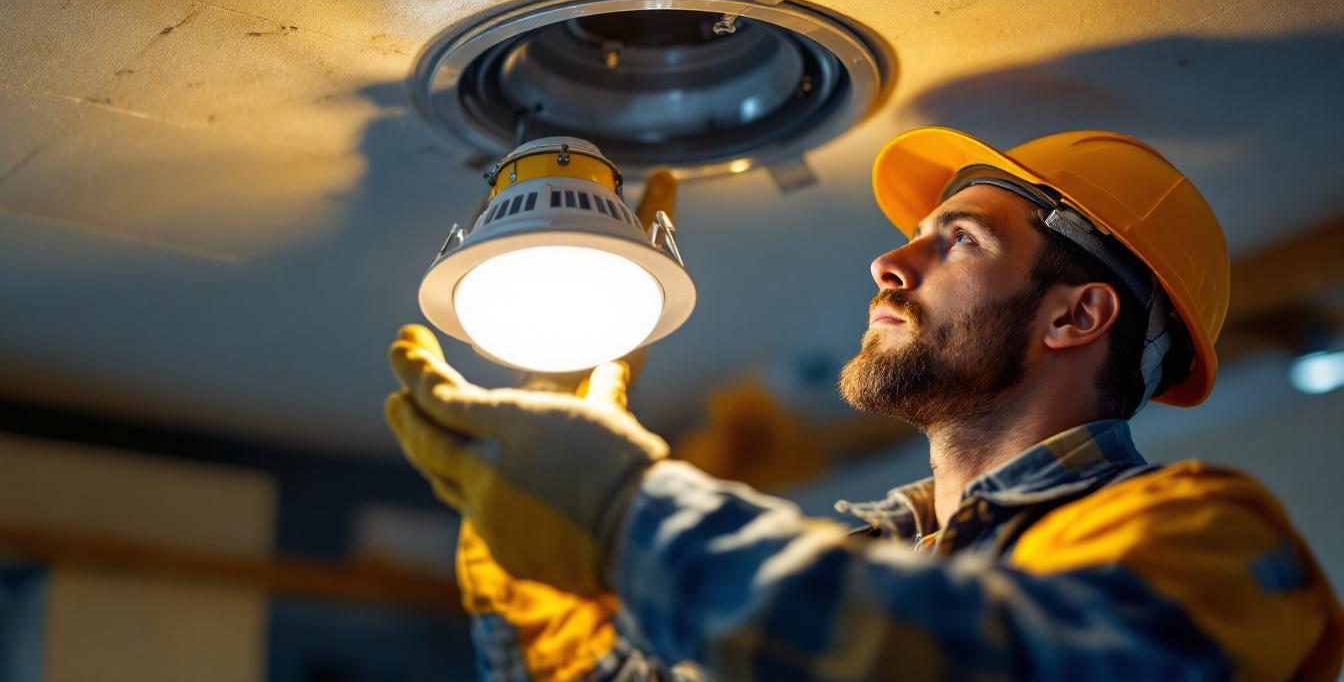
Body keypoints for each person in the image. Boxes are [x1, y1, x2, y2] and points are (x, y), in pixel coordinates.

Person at [386, 127, 1343, 680]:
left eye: (957, 240)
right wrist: (538, 570)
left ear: (1077, 314)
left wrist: (623, 516)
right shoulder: (863, 566)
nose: (889, 261)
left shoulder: (1211, 541)